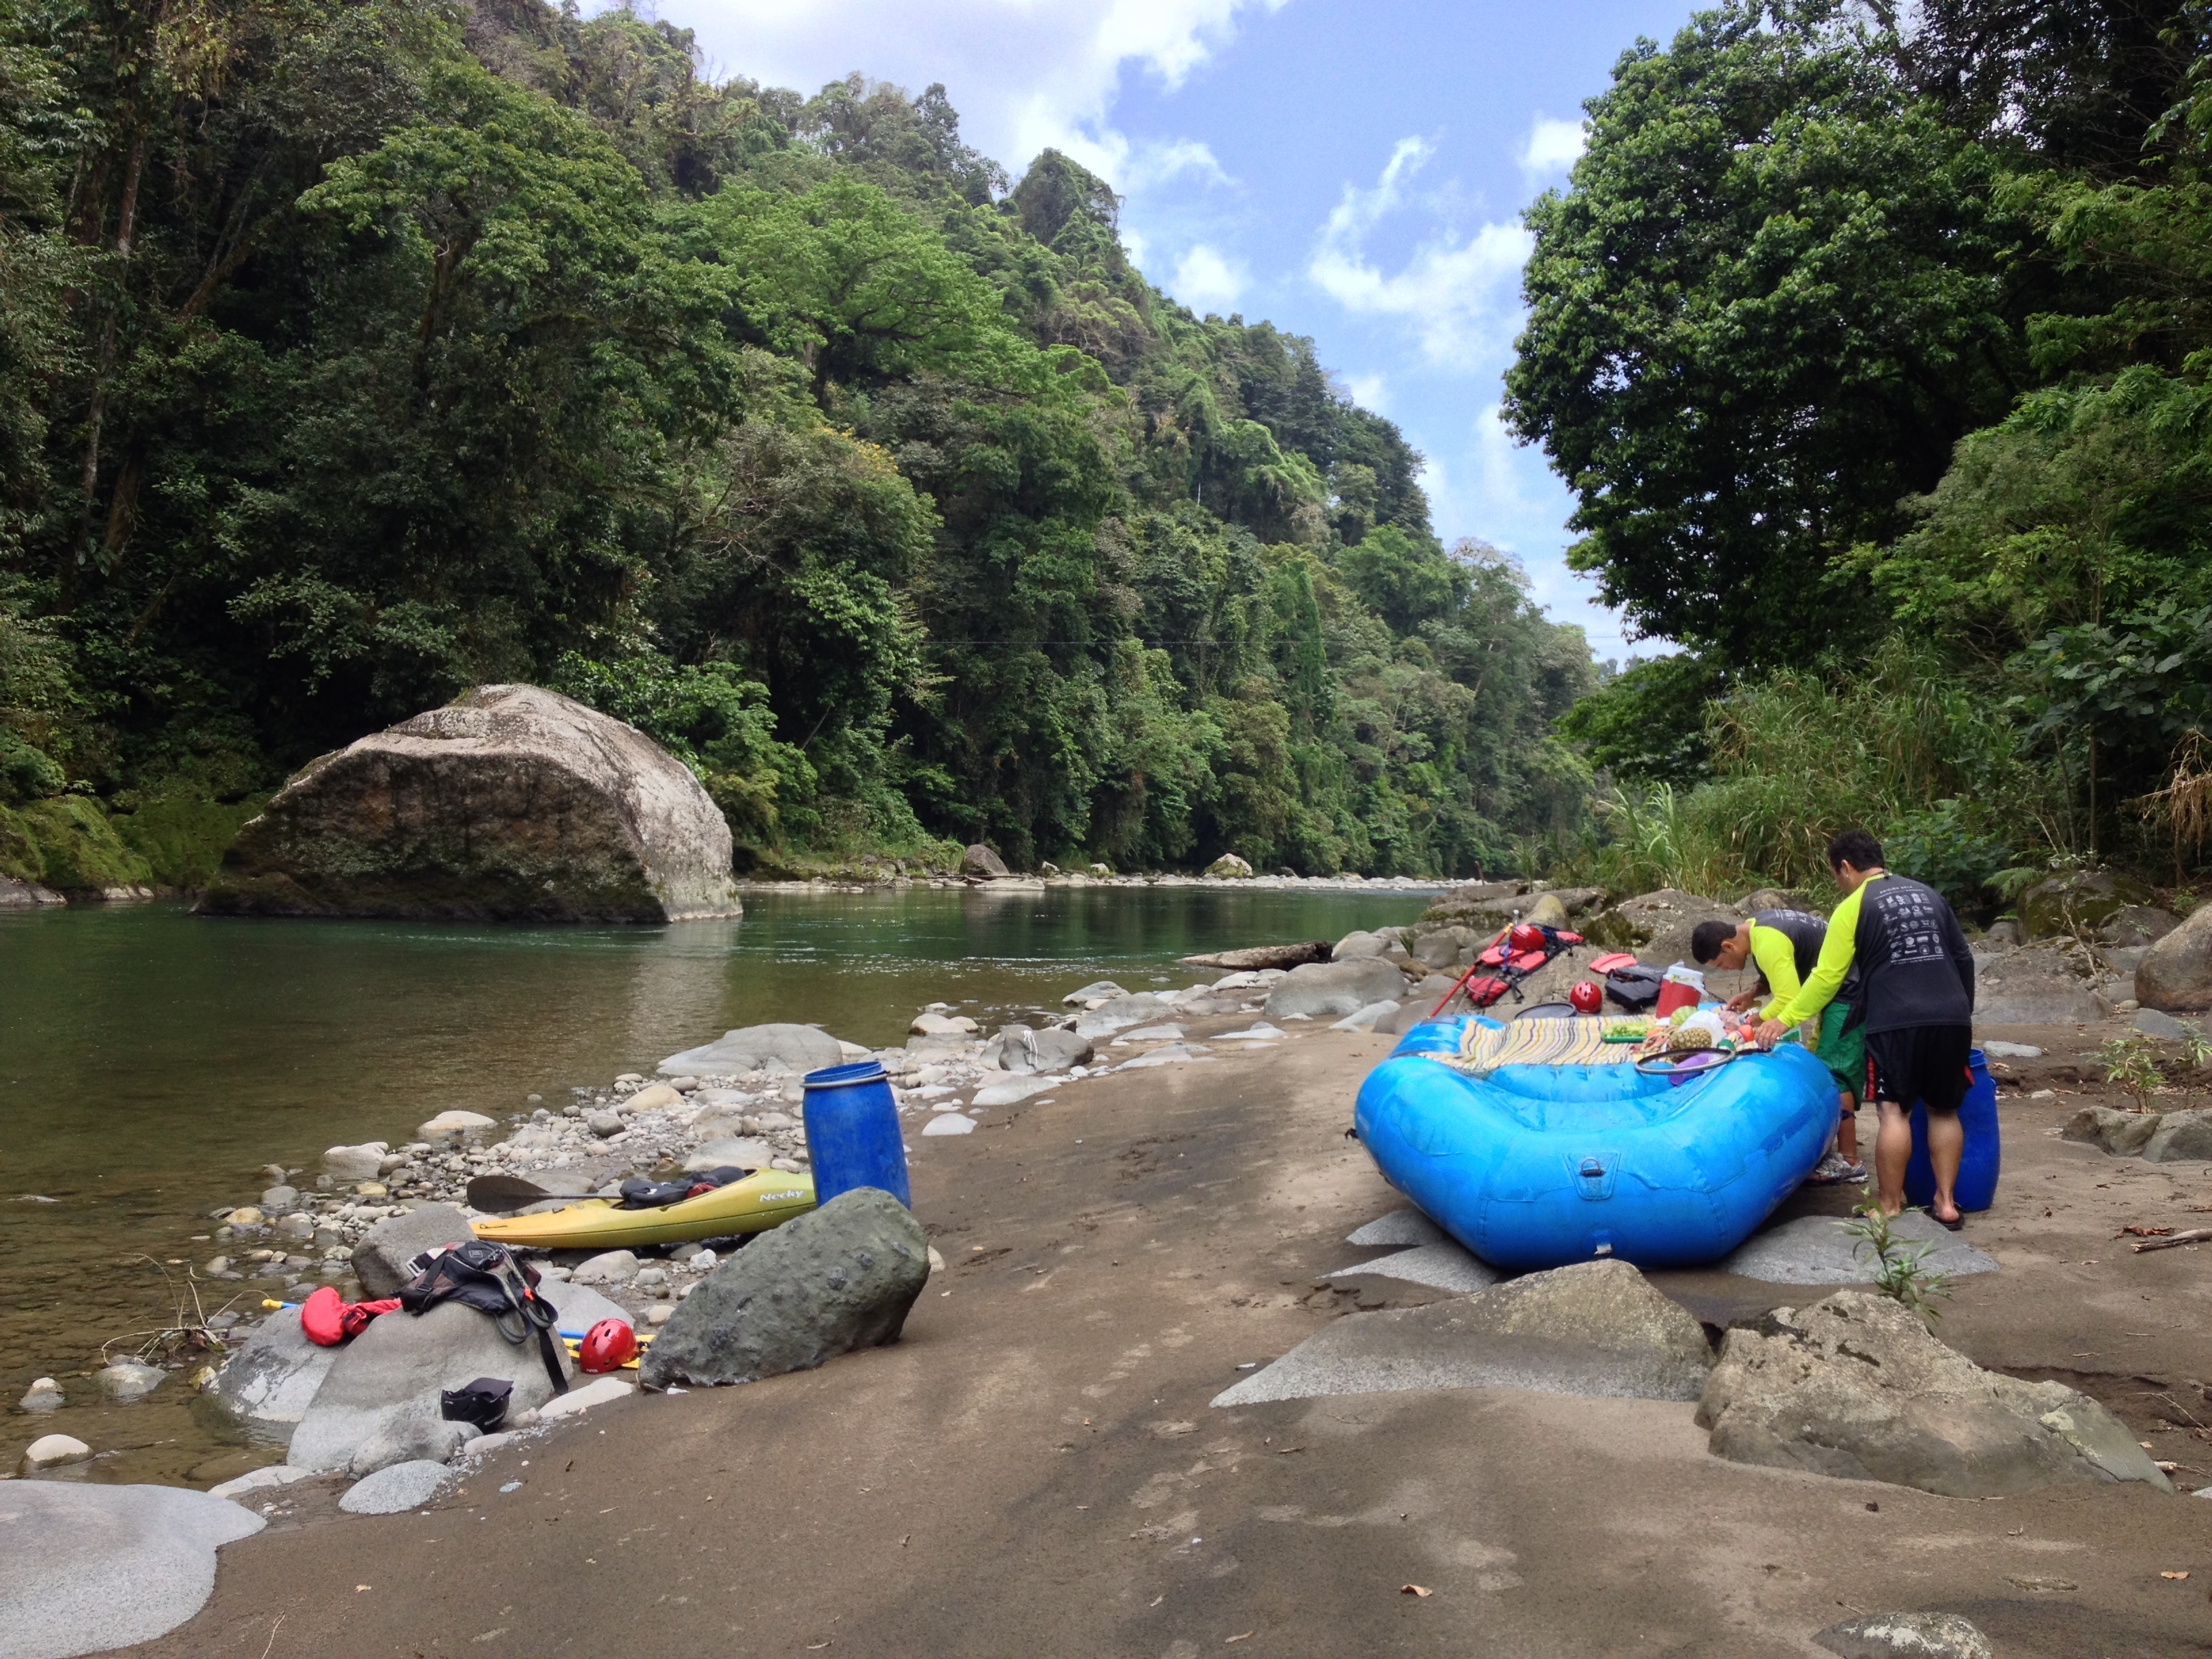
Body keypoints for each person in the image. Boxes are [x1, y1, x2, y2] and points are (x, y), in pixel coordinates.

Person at [1755, 830, 1977, 1225]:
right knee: (1944, 1111)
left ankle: (1890, 1205)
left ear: (1846, 867)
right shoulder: (1929, 894)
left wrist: (1784, 1019)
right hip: (1952, 1016)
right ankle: (1946, 1204)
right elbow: (1963, 958)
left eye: (1836, 876)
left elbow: (1826, 978)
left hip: (1895, 1020)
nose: (1839, 884)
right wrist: (1962, 1012)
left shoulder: (1854, 906)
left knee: (1894, 1112)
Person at [1690, 909, 1864, 1183]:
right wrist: (1751, 994)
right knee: (1820, 1061)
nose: (1725, 970)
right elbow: (1781, 971)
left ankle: (1850, 1161)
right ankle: (1840, 1135)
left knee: (1836, 1069)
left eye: (1721, 964)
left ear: (1728, 945)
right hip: (1830, 989)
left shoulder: (1768, 941)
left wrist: (1748, 1020)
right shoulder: (1758, 929)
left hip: (1849, 990)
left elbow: (1789, 999)